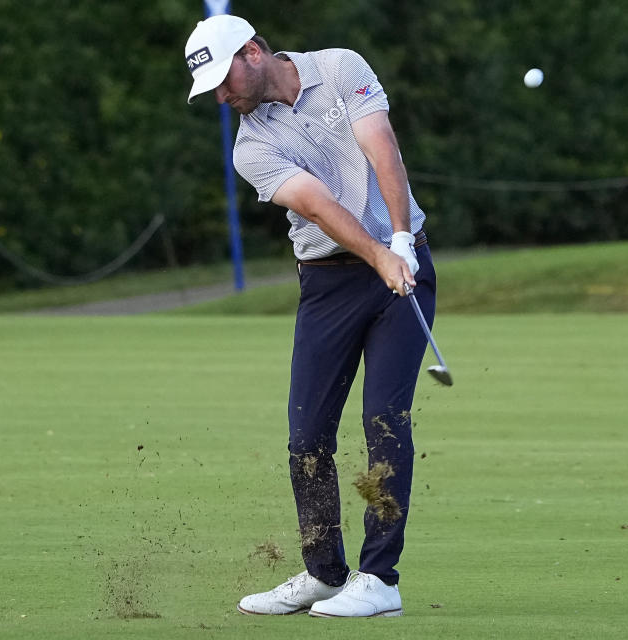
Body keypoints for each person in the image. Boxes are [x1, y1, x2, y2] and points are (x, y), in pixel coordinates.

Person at [185, 14, 436, 618]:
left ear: (252, 51)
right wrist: (377, 253)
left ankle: (379, 580)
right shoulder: (252, 146)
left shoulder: (340, 66)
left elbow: (384, 151)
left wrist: (400, 240)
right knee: (307, 436)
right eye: (212, 90)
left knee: (384, 418)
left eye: (224, 79)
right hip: (328, 284)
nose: (222, 97)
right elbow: (319, 207)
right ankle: (325, 574)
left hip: (404, 270)